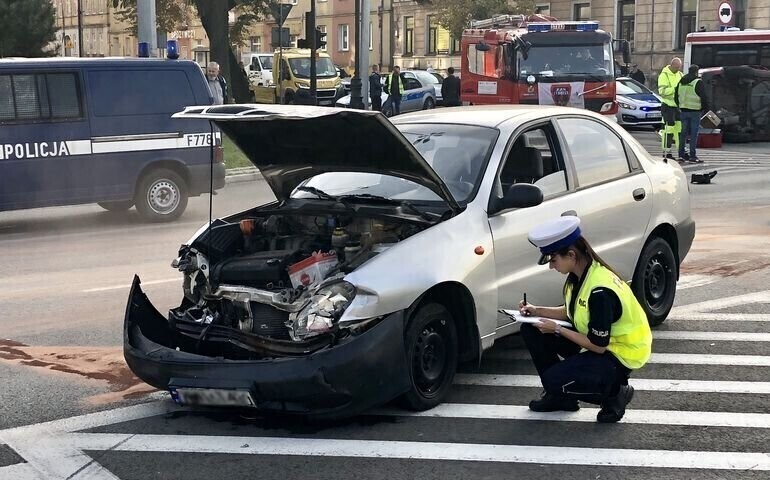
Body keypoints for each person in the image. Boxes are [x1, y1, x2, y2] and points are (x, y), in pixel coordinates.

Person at [518, 216, 652, 423]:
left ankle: (615, 393)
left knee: (553, 380)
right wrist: (537, 311)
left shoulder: (600, 290)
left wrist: (557, 329)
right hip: (599, 344)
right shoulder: (580, 275)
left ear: (571, 254)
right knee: (531, 329)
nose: (551, 266)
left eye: (553, 260)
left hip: (618, 354)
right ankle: (561, 398)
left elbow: (598, 346)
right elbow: (573, 311)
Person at [676, 64, 708, 163]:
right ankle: (692, 156)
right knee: (694, 134)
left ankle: (681, 155)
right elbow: (703, 97)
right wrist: (704, 108)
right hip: (695, 111)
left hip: (683, 111)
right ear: (696, 72)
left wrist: (679, 106)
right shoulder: (698, 82)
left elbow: (675, 96)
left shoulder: (681, 82)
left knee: (683, 134)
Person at [657, 57, 683, 160]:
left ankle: (681, 150)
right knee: (668, 129)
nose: (678, 69)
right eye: (677, 67)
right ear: (672, 65)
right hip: (668, 106)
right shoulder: (664, 75)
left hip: (677, 107)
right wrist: (675, 90)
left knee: (679, 129)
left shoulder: (680, 75)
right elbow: (662, 92)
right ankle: (667, 151)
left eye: (679, 67)